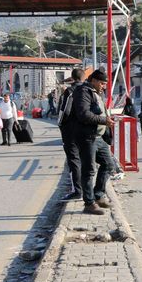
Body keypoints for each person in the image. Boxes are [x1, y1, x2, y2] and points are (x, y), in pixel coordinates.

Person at [72, 70, 115, 215]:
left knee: (109, 164)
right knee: (89, 170)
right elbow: (84, 114)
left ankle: (99, 195)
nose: (104, 86)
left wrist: (108, 120)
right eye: (102, 83)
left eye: (105, 84)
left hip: (98, 137)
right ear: (94, 81)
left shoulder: (96, 93)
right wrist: (104, 120)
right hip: (87, 137)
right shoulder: (83, 92)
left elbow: (101, 112)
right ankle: (89, 203)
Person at [58, 68, 84, 201]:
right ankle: (86, 188)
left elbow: (65, 111)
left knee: (73, 160)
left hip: (71, 130)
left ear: (72, 78)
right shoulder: (90, 90)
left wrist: (60, 125)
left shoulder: (70, 91)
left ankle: (77, 191)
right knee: (85, 159)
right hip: (86, 130)